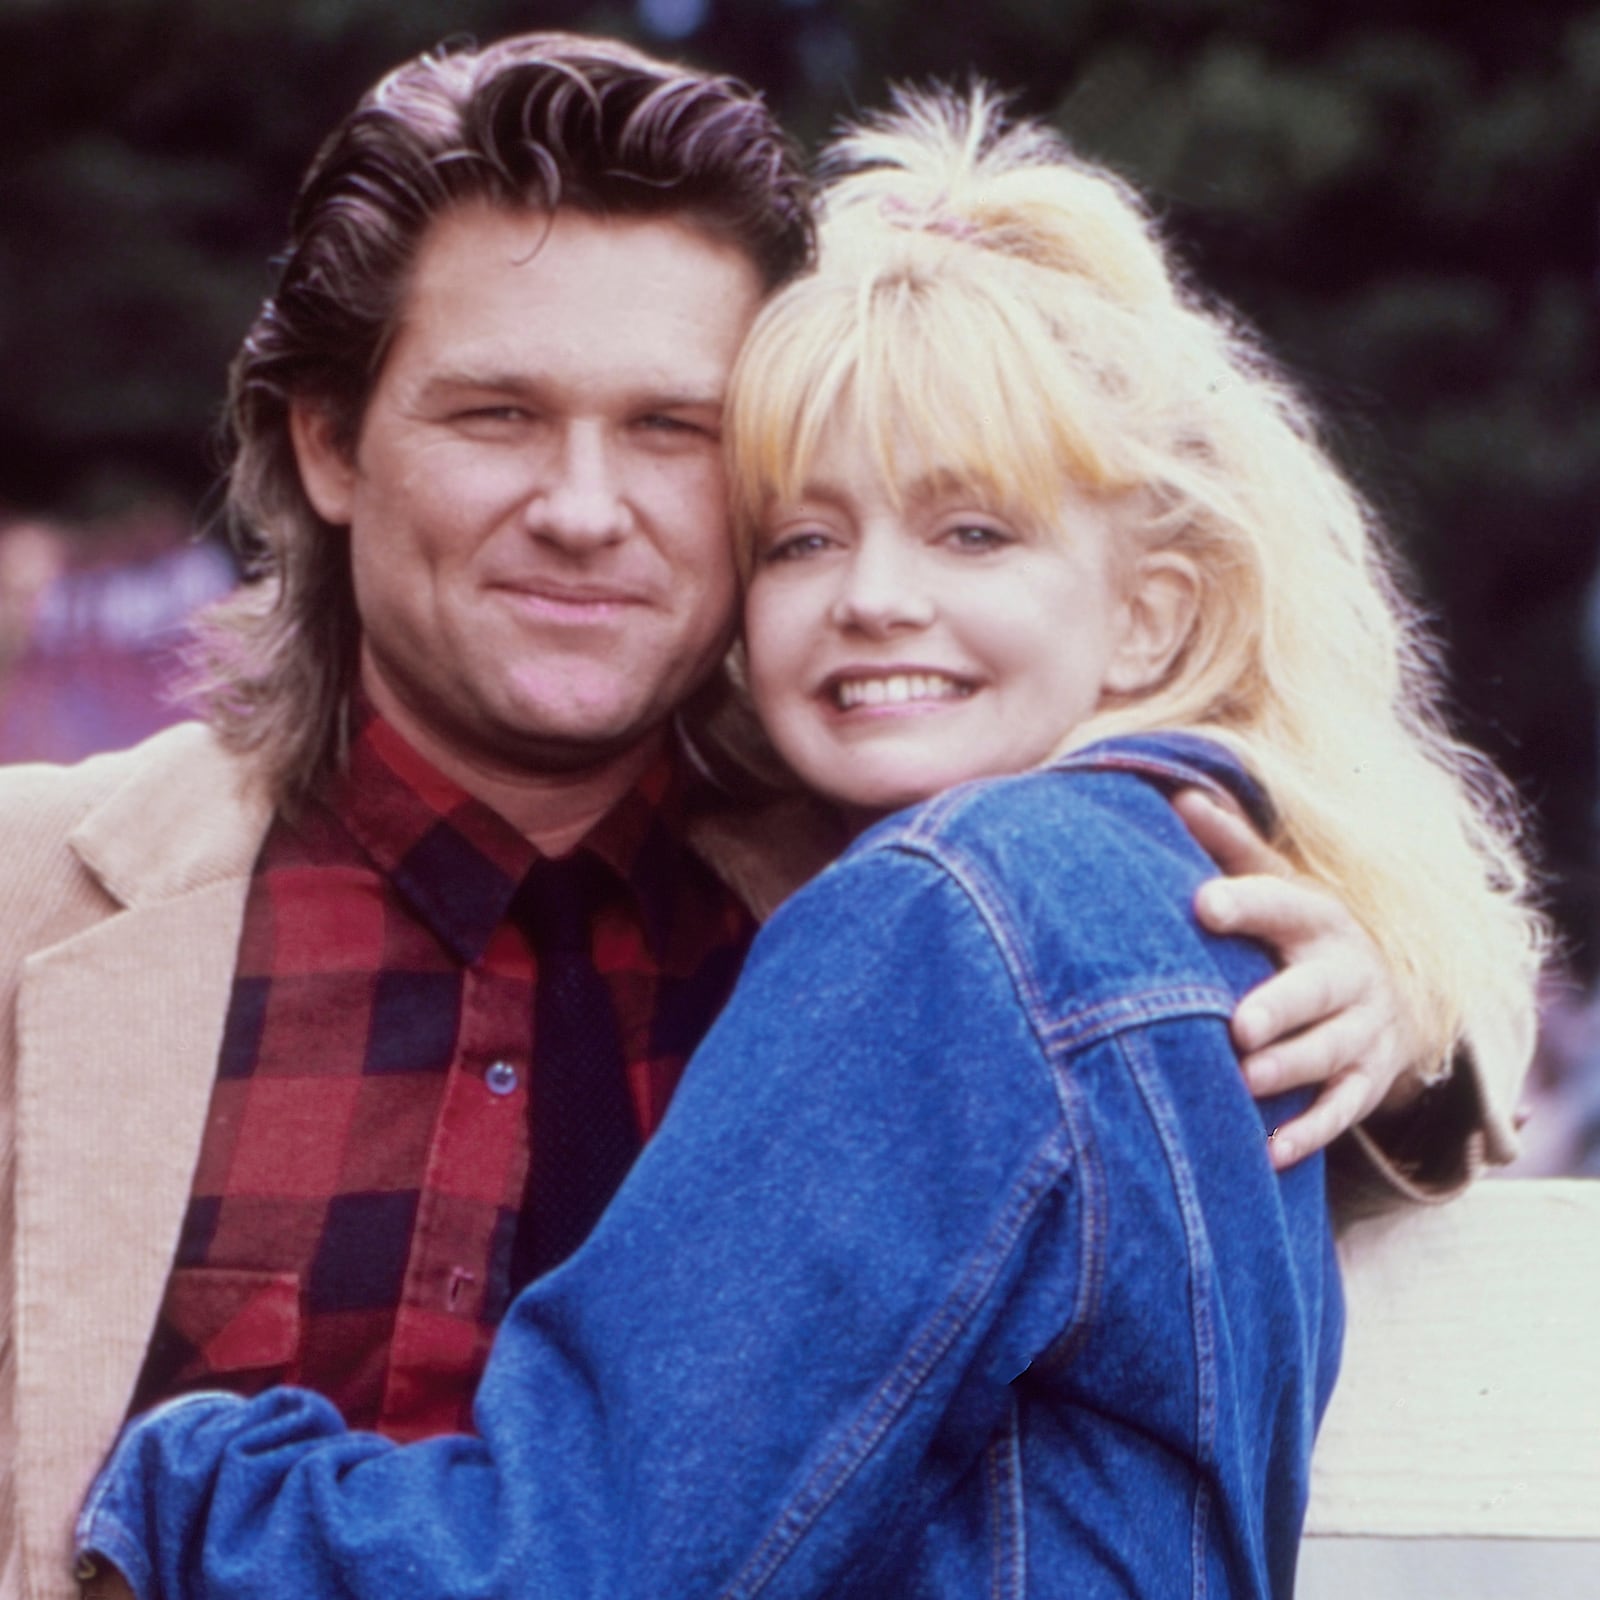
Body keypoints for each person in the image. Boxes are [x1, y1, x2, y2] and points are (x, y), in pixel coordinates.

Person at [0, 33, 1519, 1600]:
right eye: (498, 415)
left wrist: (1399, 1000)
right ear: (329, 441)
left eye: (675, 429)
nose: (585, 507)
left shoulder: (922, 918)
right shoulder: (43, 903)